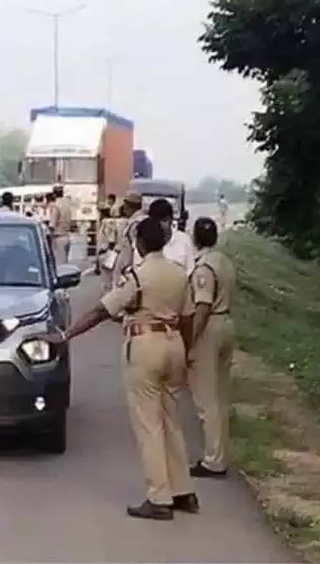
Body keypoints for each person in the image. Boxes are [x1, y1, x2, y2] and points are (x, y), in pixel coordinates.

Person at [49, 218, 198, 520]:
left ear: (140, 243)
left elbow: (101, 311)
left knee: (149, 424)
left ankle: (159, 497)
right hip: (175, 344)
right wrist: (187, 350)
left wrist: (67, 335)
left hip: (145, 346)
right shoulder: (179, 275)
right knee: (171, 421)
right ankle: (183, 491)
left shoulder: (137, 276)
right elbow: (189, 318)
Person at [187, 217, 236, 479]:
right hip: (227, 321)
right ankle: (221, 453)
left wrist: (190, 341)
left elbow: (202, 307)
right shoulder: (224, 261)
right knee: (221, 394)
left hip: (210, 327)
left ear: (195, 237)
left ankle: (213, 460)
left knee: (207, 398)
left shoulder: (203, 267)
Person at [147, 198, 194, 271]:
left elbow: (191, 269)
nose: (160, 225)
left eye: (164, 220)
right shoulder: (144, 241)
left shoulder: (184, 240)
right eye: (156, 221)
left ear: (171, 220)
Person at [111, 190, 146, 280]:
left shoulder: (136, 223)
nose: (124, 208)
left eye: (126, 205)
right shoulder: (139, 220)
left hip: (129, 266)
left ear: (131, 206)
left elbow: (135, 249)